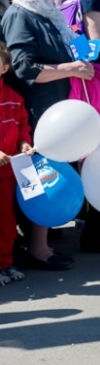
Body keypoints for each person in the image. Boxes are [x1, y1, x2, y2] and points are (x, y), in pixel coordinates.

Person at [0, 0, 94, 270]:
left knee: (46, 175)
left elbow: (76, 47)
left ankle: (38, 242)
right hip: (33, 108)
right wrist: (72, 69)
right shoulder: (19, 15)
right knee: (37, 177)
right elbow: (24, 67)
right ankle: (36, 248)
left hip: (55, 107)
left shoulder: (48, 14)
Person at [0, 42, 32, 285]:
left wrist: (24, 144)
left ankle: (6, 263)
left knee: (8, 221)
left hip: (9, 173)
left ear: (4, 68)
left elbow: (23, 127)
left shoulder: (14, 98)